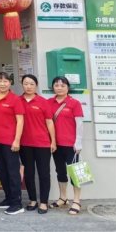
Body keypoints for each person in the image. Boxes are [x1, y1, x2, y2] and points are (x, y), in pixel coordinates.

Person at [0, 72, 25, 215]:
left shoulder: (15, 99)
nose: (2, 84)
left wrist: (17, 140)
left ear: (10, 83)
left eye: (5, 81)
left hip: (10, 141)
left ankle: (17, 203)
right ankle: (8, 198)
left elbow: (20, 121)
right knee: (1, 171)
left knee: (12, 171)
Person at [19, 74, 56, 215]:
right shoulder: (18, 101)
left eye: (31, 84)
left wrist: (53, 140)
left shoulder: (43, 102)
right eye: (26, 83)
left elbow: (49, 122)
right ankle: (33, 200)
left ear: (36, 86)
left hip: (42, 143)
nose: (28, 86)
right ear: (22, 85)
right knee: (28, 173)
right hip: (24, 143)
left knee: (43, 173)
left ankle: (44, 202)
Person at [48, 76, 84, 215]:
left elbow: (79, 124)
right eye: (56, 85)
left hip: (71, 145)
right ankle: (63, 197)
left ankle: (77, 200)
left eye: (63, 85)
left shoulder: (74, 103)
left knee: (74, 172)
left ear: (68, 87)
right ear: (53, 87)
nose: (59, 88)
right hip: (56, 144)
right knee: (60, 171)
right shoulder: (49, 102)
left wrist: (78, 142)